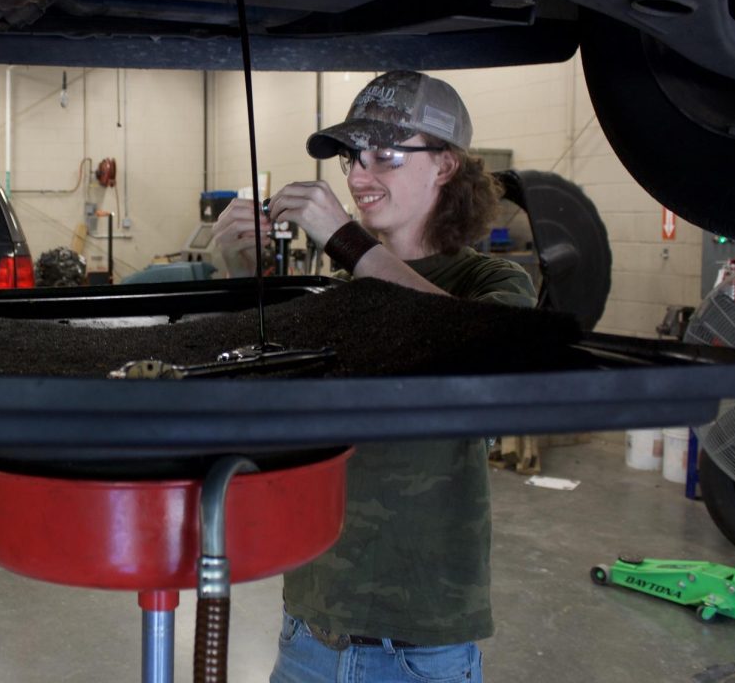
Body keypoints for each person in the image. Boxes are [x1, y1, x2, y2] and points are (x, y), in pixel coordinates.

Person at [213, 70, 535, 683]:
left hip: (414, 647)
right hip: (308, 627)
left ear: (445, 165)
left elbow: (478, 345)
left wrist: (343, 238)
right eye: (352, 158)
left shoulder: (491, 287)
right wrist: (244, 278)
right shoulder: (339, 294)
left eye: (384, 155)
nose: (359, 177)